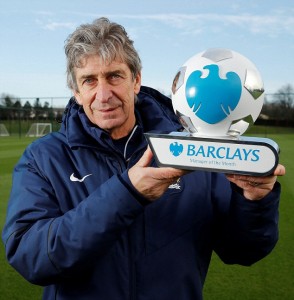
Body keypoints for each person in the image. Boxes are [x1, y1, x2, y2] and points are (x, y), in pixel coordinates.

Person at [2, 17, 285, 300]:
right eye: (89, 81)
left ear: (136, 80)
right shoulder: (43, 158)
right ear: (77, 93)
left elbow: (243, 251)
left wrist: (255, 202)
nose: (103, 94)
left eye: (114, 76)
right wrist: (128, 193)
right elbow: (30, 256)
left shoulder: (194, 152)